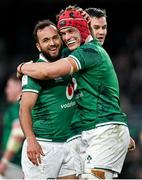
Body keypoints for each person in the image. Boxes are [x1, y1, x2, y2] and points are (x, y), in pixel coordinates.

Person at [17, 6, 130, 179]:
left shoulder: (88, 52)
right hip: (76, 136)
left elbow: (48, 71)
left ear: (82, 29)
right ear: (38, 46)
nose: (64, 38)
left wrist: (22, 67)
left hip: (103, 129)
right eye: (63, 33)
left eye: (70, 31)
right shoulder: (69, 55)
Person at [19, 19, 82, 179]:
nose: (52, 43)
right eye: (45, 40)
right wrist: (31, 140)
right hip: (43, 145)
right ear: (38, 46)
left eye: (55, 37)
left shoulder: (70, 63)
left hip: (69, 143)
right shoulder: (34, 72)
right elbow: (24, 108)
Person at [85, 7, 136, 152]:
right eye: (96, 27)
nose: (101, 32)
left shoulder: (94, 53)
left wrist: (116, 127)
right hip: (92, 131)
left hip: (101, 130)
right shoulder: (84, 53)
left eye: (104, 27)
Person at [0, 74, 24, 179]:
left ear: (18, 87)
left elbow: (18, 135)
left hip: (14, 162)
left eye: (9, 86)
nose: (6, 90)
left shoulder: (17, 107)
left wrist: (5, 161)